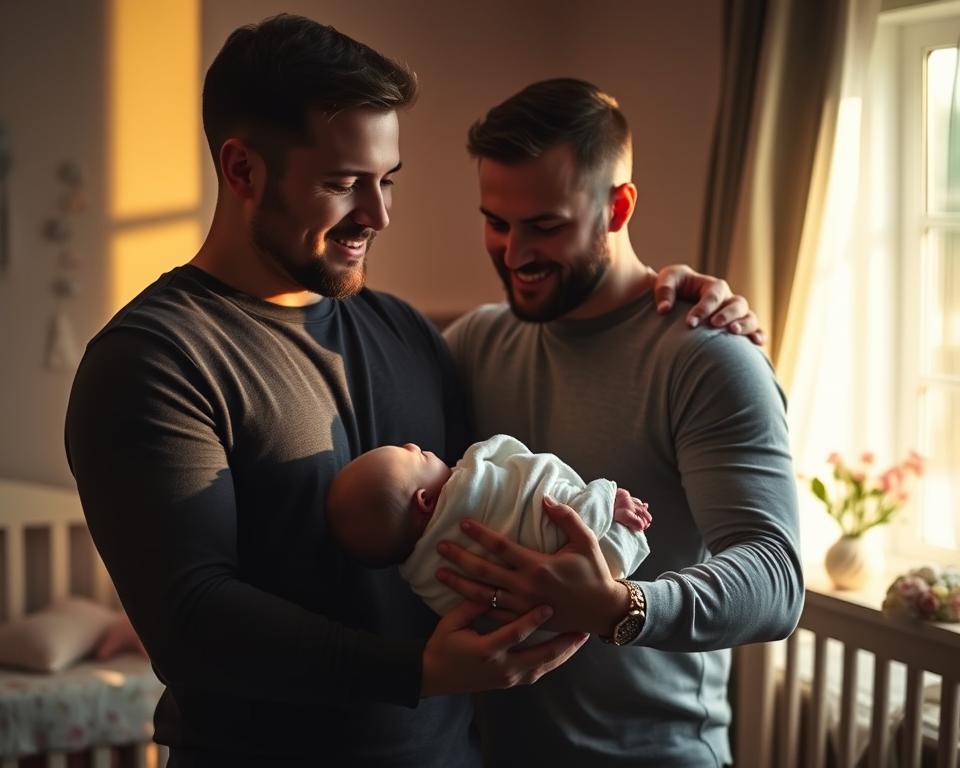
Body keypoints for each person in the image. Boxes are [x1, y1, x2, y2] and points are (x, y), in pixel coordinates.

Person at [64, 15, 767, 767]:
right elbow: (189, 616)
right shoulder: (154, 360)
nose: (379, 214)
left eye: (387, 181)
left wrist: (674, 299)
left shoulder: (412, 335)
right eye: (344, 184)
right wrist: (417, 672)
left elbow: (513, 484)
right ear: (242, 171)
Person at [436, 79, 804, 767]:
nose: (515, 255)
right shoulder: (474, 346)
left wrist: (620, 605)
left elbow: (775, 578)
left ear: (618, 206)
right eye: (496, 221)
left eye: (545, 225)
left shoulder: (709, 359)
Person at [327, 435, 651, 617]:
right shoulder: (474, 488)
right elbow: (530, 490)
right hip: (586, 554)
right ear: (424, 501)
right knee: (554, 511)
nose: (412, 445)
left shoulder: (427, 581)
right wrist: (603, 498)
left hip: (549, 621)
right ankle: (610, 515)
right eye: (413, 456)